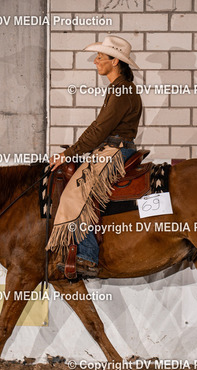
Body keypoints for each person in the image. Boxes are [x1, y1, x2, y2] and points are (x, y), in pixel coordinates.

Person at [47, 36, 142, 277]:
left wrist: (68, 153)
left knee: (78, 190)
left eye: (100, 57)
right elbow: (99, 128)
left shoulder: (121, 90)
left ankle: (87, 256)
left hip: (116, 150)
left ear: (115, 61)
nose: (96, 61)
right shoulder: (119, 88)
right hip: (111, 147)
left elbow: (100, 129)